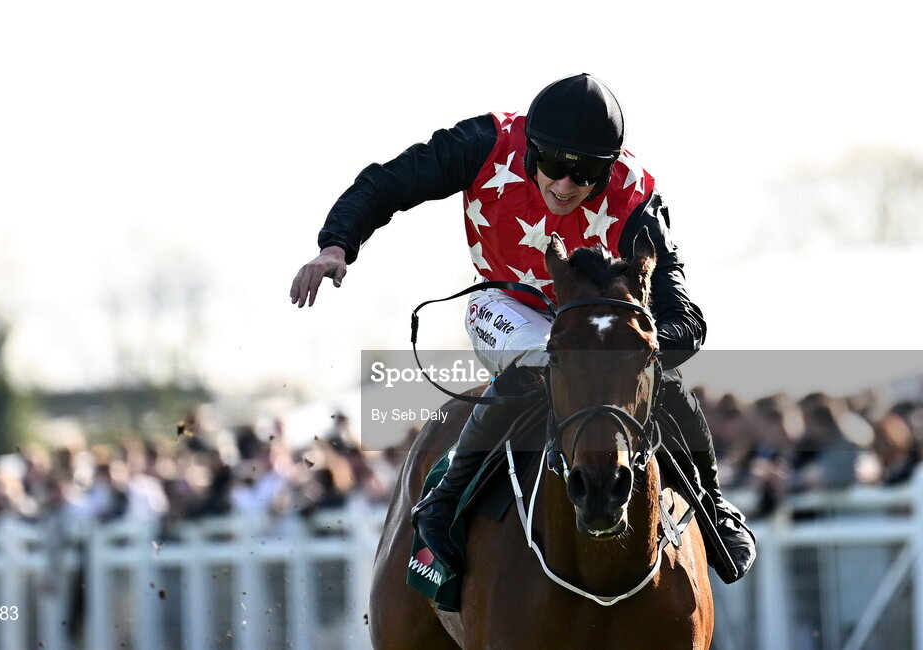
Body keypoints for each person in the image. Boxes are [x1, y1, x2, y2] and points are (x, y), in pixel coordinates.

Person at [290, 74, 755, 583]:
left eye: (585, 177)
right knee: (538, 362)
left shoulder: (635, 198)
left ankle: (712, 507)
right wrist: (337, 243)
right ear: (529, 146)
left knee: (654, 381)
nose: (563, 187)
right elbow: (388, 183)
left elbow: (686, 318)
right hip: (505, 306)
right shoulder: (483, 144)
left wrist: (635, 353)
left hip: (598, 326)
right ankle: (442, 505)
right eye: (552, 166)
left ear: (609, 170)